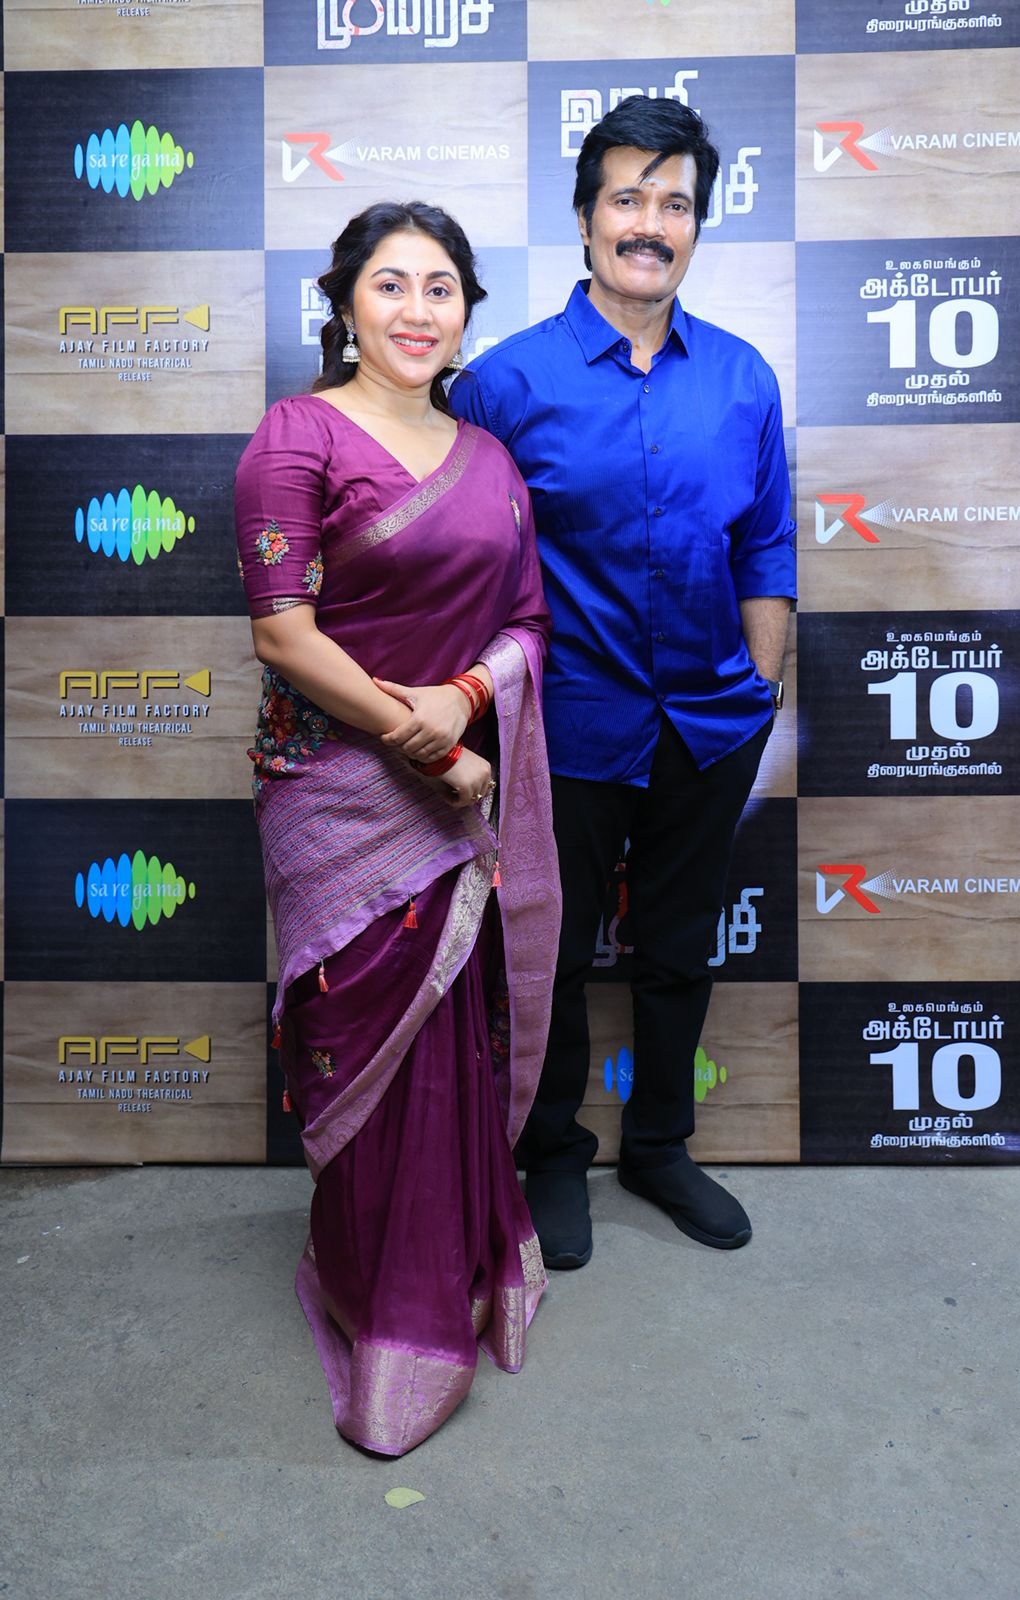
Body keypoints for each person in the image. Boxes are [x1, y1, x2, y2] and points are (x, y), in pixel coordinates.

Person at [234, 201, 561, 1456]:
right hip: (336, 796)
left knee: (446, 1045)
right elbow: (283, 634)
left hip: (454, 786)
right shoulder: (298, 434)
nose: (417, 310)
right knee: (359, 1036)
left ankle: (444, 1274)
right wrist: (423, 739)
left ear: (466, 311)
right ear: (344, 305)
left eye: (440, 287)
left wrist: (463, 700)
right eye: (390, 284)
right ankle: (377, 1290)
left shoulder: (488, 460)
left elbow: (525, 622)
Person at [450, 97, 796, 1269]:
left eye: (675, 203)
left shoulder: (742, 378)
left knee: (680, 948)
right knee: (544, 952)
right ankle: (552, 1154)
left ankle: (659, 1146)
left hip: (710, 724)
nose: (651, 223)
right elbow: (462, 566)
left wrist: (757, 690)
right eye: (627, 198)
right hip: (561, 728)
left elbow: (765, 550)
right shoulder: (504, 384)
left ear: (697, 224)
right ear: (586, 217)